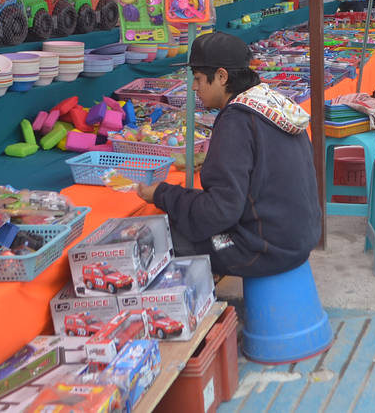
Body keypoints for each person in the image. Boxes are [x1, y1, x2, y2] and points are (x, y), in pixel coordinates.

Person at [137, 32, 322, 278]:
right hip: (300, 234)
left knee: (167, 235)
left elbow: (220, 212)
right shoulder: (271, 101)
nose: (194, 87)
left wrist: (161, 194)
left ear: (222, 76)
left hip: (265, 247)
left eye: (199, 78)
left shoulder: (237, 121)